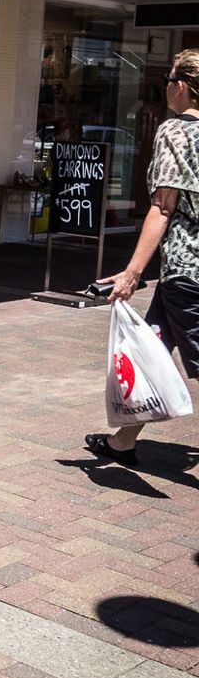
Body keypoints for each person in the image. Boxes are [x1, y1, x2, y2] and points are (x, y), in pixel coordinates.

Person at [86, 49, 199, 465]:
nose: (166, 87)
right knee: (152, 344)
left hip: (189, 268)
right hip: (179, 275)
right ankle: (124, 441)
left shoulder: (176, 131)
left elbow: (163, 207)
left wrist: (131, 274)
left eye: (169, 80)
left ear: (181, 87)